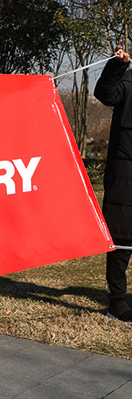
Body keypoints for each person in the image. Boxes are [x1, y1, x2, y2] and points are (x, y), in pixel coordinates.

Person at [94, 45, 132, 322]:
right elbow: (105, 94)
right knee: (122, 238)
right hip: (124, 177)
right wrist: (117, 66)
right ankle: (116, 302)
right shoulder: (127, 82)